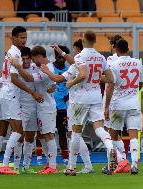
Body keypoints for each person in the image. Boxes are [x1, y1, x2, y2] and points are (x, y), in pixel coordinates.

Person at [46, 30, 117, 176]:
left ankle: (71, 167)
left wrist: (71, 83)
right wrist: (95, 78)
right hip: (96, 97)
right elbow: (110, 78)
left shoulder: (80, 57)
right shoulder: (101, 58)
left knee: (75, 133)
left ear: (83, 41)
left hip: (80, 99)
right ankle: (110, 149)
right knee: (99, 129)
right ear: (95, 40)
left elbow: (83, 74)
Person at [0, 26, 43, 175]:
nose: (24, 40)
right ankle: (5, 164)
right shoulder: (16, 53)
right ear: (13, 38)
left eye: (25, 37)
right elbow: (14, 79)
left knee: (1, 131)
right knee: (18, 130)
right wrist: (32, 92)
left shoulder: (10, 53)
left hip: (3, 94)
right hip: (10, 95)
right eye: (21, 37)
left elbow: (5, 76)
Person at [41, 41, 94, 174]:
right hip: (90, 100)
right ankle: (85, 164)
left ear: (78, 50)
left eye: (74, 50)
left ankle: (77, 165)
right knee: (74, 134)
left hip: (76, 103)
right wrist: (61, 51)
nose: (73, 54)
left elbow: (59, 79)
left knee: (73, 134)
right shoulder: (90, 62)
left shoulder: (76, 65)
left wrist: (47, 71)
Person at [10, 46, 58, 174]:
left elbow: (29, 78)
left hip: (45, 106)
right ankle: (49, 164)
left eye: (30, 58)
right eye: (24, 58)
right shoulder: (42, 66)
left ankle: (52, 166)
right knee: (41, 135)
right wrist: (54, 85)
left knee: (47, 135)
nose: (28, 61)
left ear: (37, 57)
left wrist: (18, 67)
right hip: (37, 106)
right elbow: (53, 80)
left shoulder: (43, 68)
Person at [104, 39, 143, 175]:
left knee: (113, 135)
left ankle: (121, 161)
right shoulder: (138, 63)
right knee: (133, 135)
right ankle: (134, 165)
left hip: (118, 104)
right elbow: (140, 84)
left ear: (116, 50)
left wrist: (106, 107)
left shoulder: (114, 65)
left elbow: (109, 86)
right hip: (133, 104)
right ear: (128, 49)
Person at [12, 47, 39, 173]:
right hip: (20, 105)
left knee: (30, 137)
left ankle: (26, 166)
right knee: (19, 135)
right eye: (23, 59)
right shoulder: (16, 70)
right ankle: (16, 166)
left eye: (27, 58)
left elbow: (45, 78)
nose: (25, 61)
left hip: (33, 106)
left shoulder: (35, 67)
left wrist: (53, 86)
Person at [53, 45, 70, 164]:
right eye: (58, 57)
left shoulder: (69, 69)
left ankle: (65, 158)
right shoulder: (50, 68)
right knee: (43, 133)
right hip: (50, 107)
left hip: (63, 107)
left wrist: (67, 96)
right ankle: (39, 158)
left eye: (63, 57)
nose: (61, 59)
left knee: (62, 132)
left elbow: (74, 84)